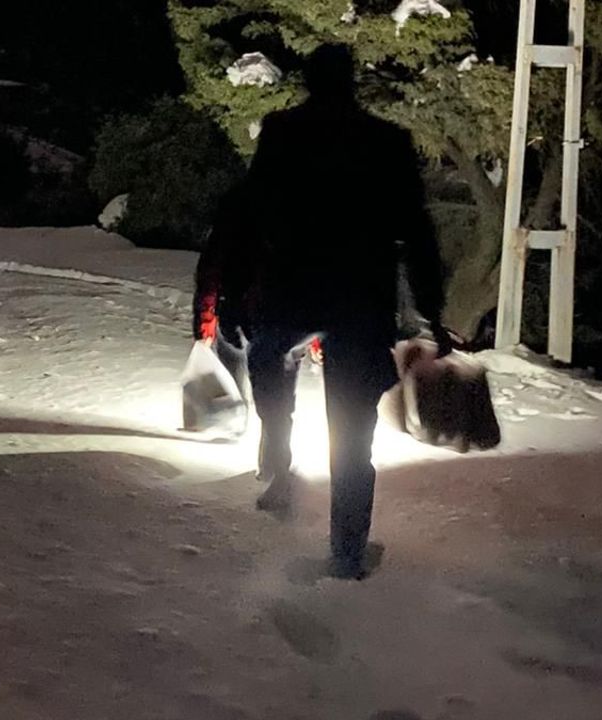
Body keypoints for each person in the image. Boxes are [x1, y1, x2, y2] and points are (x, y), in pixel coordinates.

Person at [192, 43, 450, 579]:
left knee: (272, 374)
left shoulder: (281, 132)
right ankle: (347, 551)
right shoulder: (387, 141)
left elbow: (249, 217)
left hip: (289, 292)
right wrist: (432, 308)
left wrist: (235, 293)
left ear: (309, 82)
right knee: (352, 434)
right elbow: (417, 231)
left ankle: (279, 463)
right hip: (359, 300)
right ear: (352, 83)